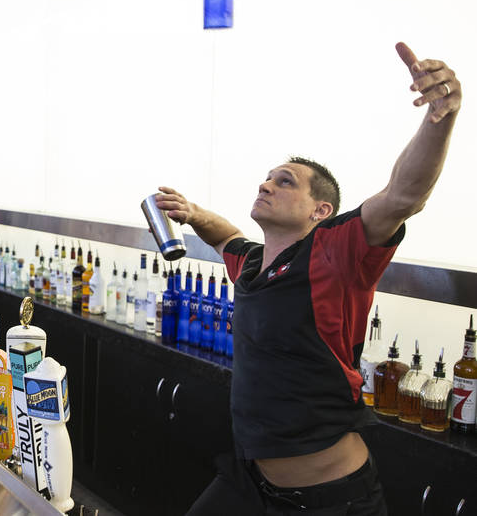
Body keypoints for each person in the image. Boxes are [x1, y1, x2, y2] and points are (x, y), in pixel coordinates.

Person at [161, 43, 461, 516]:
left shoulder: (335, 252)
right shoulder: (254, 265)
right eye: (266, 178)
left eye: (284, 181)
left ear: (321, 211)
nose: (265, 185)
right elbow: (226, 237)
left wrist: (439, 117)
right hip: (251, 482)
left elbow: (404, 194)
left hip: (331, 499)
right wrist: (193, 212)